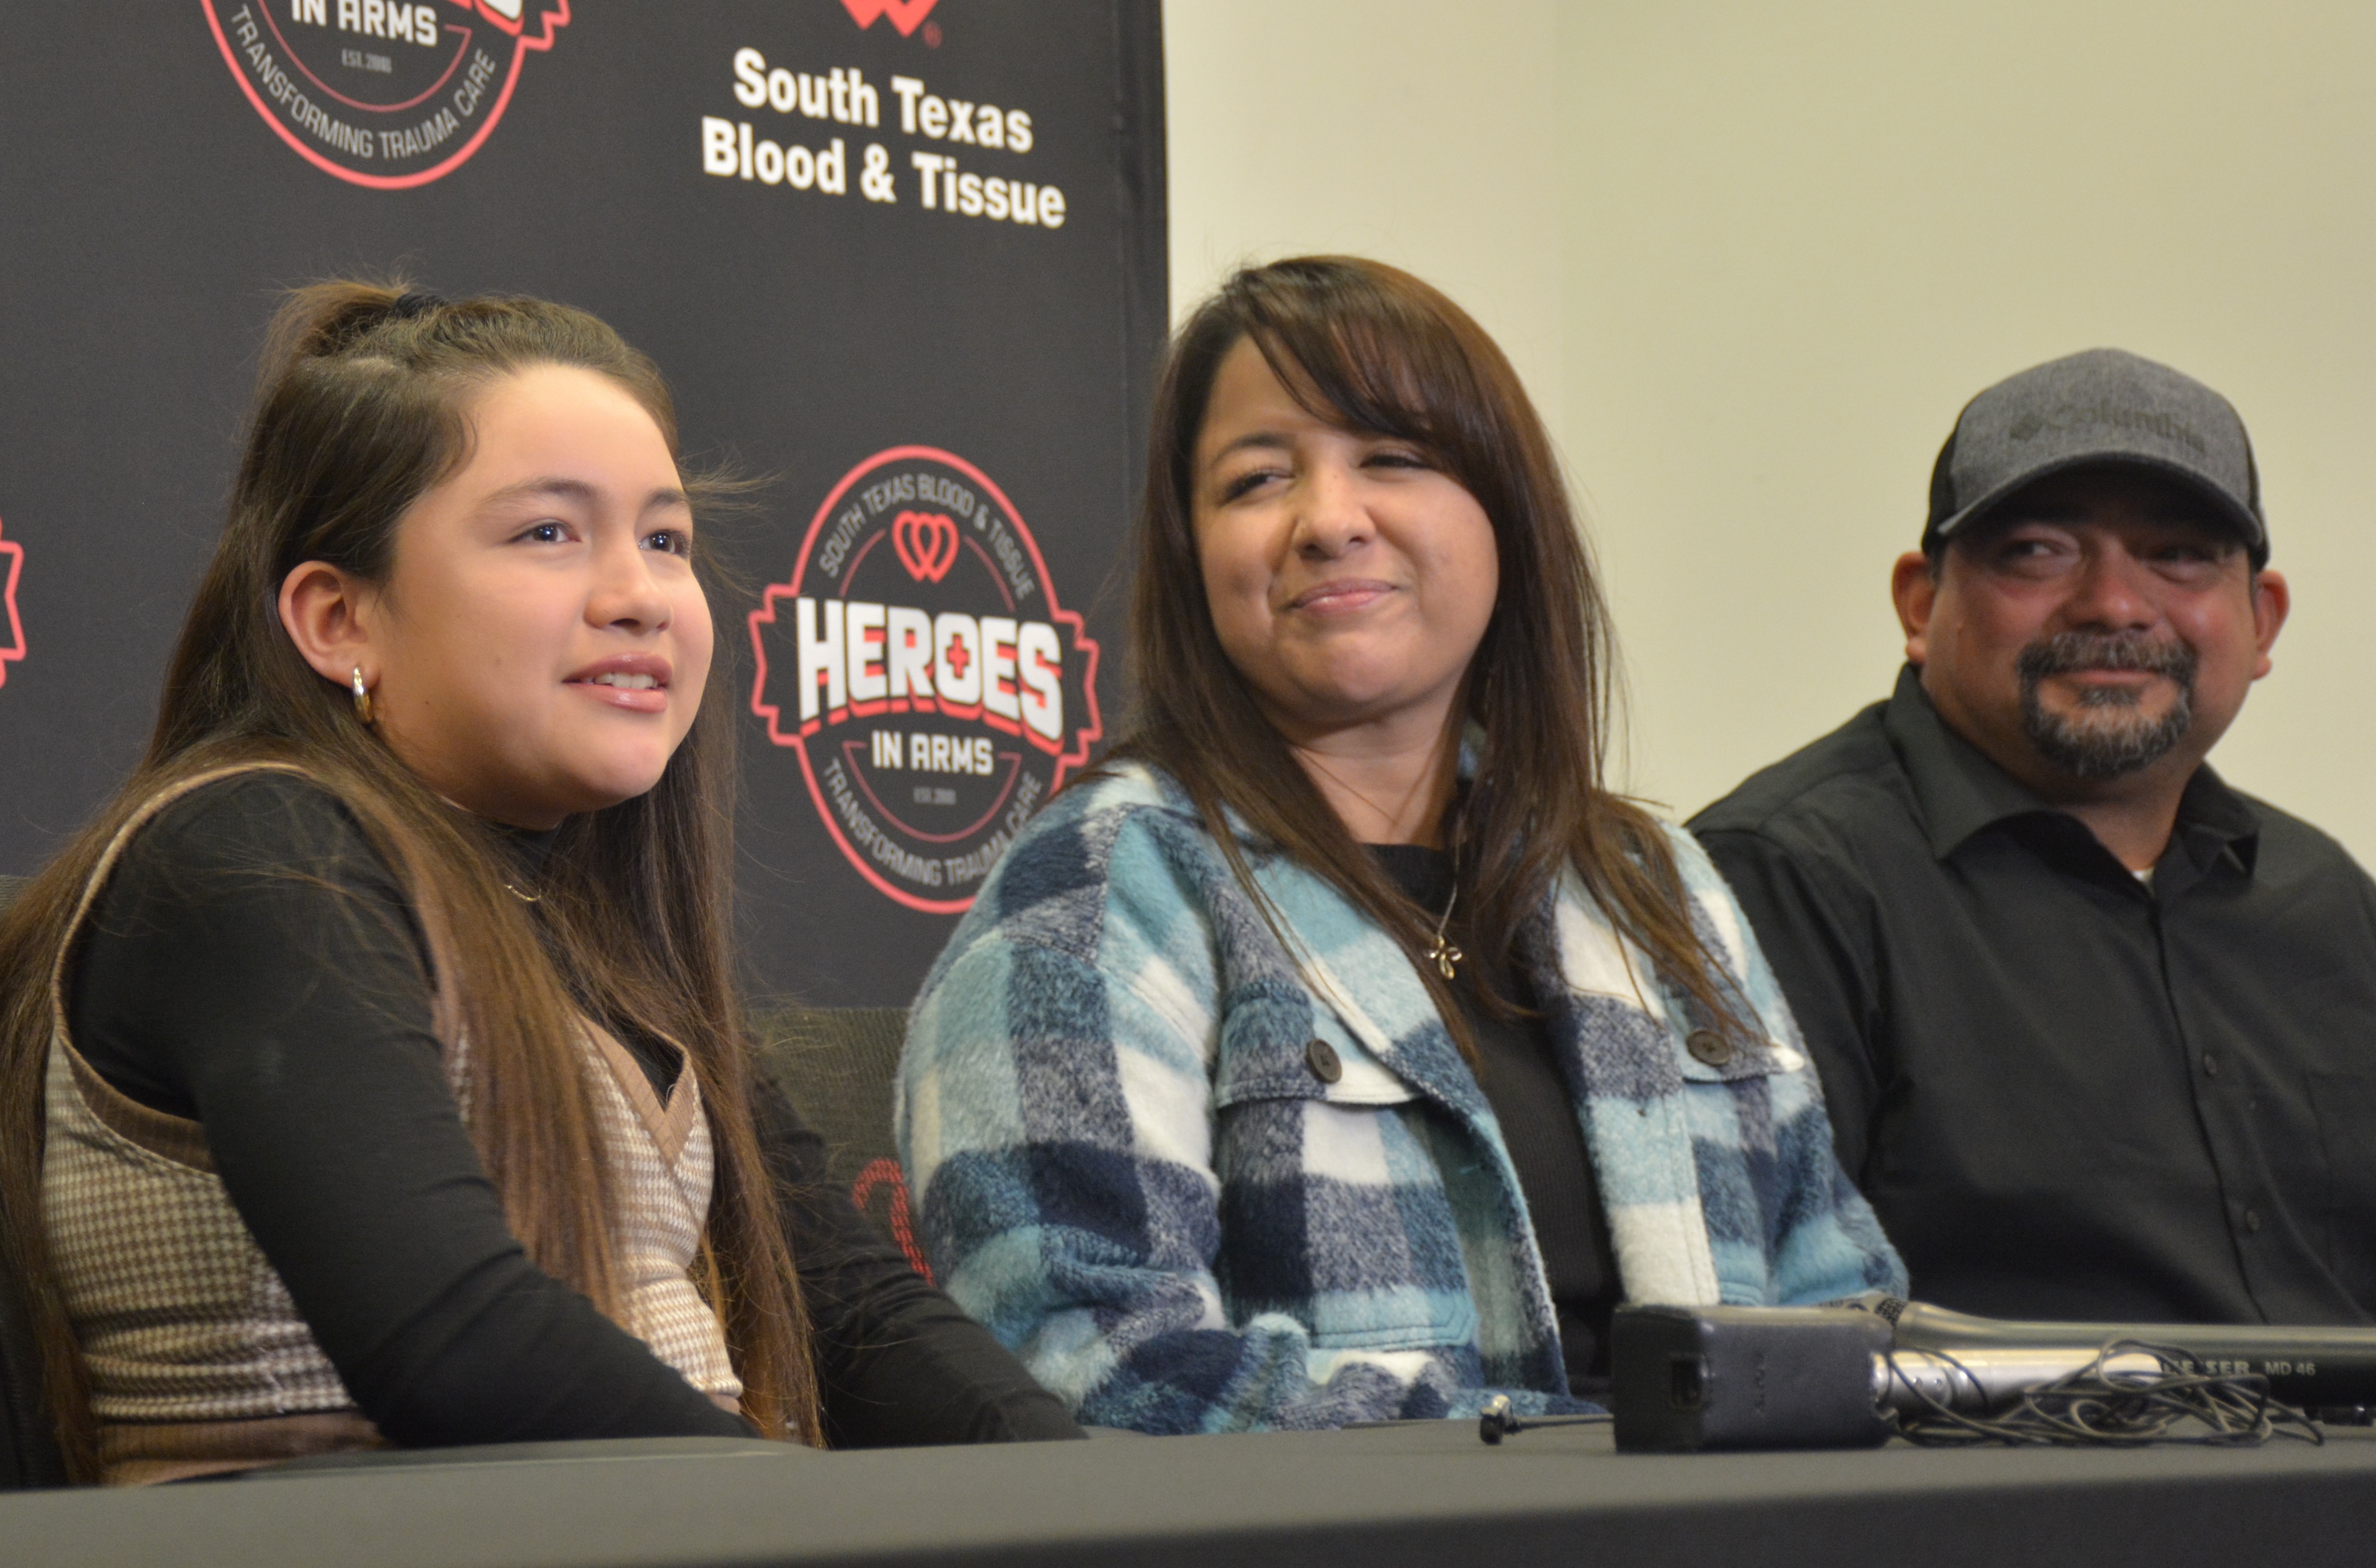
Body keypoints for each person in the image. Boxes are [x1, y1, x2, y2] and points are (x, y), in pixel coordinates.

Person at [0, 283, 1077, 1485]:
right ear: (338, 616)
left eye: (663, 539)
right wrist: (809, 1520)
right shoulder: (252, 846)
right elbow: (454, 1338)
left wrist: (1096, 1493)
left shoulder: (601, 931)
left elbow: (852, 1307)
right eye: (549, 533)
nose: (638, 594)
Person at [896, 256, 1903, 1435]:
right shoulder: (1095, 894)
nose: (1328, 521)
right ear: (1194, 555)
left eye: (1393, 458)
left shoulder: (1651, 880)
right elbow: (1099, 1368)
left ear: (1504, 519)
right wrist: (1569, 1456)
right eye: (1256, 478)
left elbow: (1849, 1309)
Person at [1690, 348, 2376, 1326]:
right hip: (2006, 1477)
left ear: (2260, 622)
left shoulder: (2327, 898)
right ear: (1922, 606)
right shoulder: (1781, 882)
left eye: (2178, 554)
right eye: (2038, 552)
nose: (2115, 604)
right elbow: (1757, 1340)